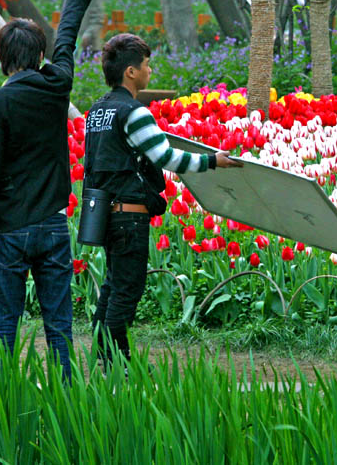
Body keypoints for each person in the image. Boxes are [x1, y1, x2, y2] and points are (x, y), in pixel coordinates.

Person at [0, 0, 105, 379]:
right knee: (59, 325)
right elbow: (68, 34)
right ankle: (66, 393)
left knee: (6, 324)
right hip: (52, 226)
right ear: (41, 54)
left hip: (10, 231)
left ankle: (8, 391)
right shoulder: (56, 86)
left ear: (1, 57)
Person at [83, 34, 241, 365]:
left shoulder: (96, 111)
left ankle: (103, 356)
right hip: (129, 217)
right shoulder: (133, 112)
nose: (150, 70)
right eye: (146, 64)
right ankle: (117, 365)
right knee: (126, 292)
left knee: (113, 287)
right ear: (130, 71)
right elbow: (167, 157)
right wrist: (213, 161)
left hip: (106, 214)